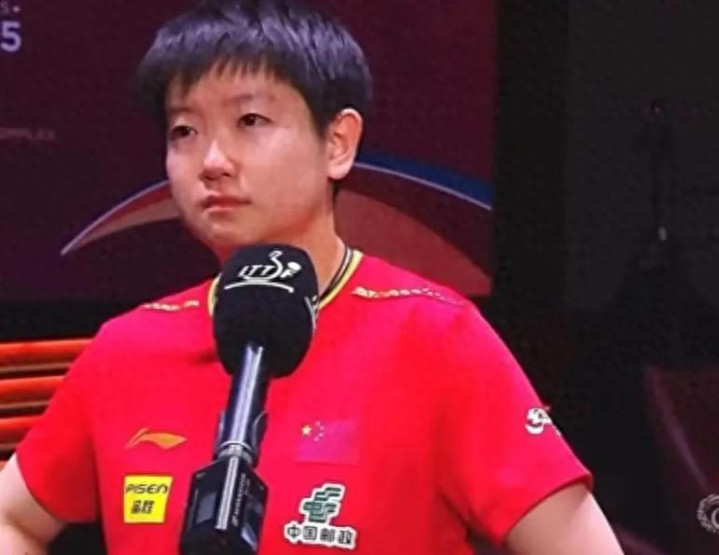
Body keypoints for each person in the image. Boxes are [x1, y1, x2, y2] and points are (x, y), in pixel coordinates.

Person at [0, 1, 623, 553]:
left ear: (337, 143)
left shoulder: (436, 338)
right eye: (184, 131)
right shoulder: (125, 351)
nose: (212, 161)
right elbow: (13, 520)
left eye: (249, 122)